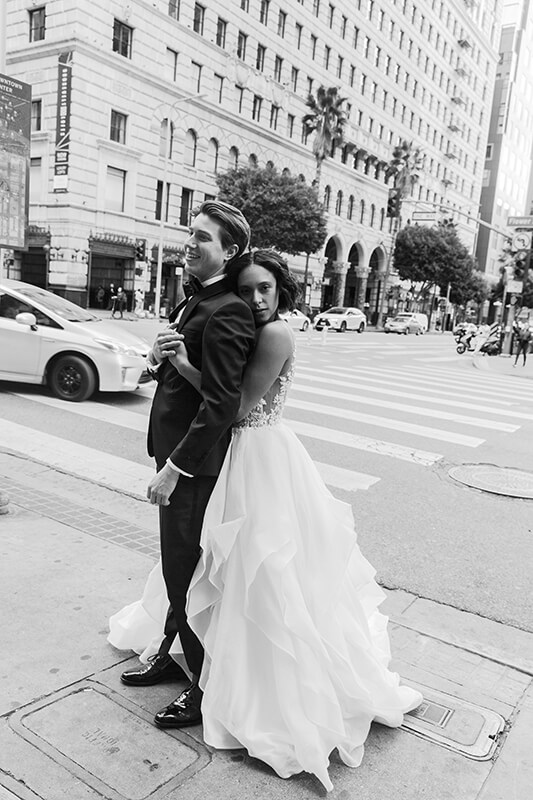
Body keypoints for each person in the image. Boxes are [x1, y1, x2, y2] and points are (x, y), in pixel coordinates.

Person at [109, 248, 422, 792]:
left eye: (265, 291)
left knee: (260, 569)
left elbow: (235, 404)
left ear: (282, 293)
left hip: (259, 457)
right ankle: (190, 656)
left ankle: (232, 684)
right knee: (214, 566)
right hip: (236, 457)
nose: (255, 299)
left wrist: (182, 362)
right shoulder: (248, 325)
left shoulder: (275, 335)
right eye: (248, 288)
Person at [109, 202, 256, 725]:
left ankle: (201, 685)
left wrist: (175, 467)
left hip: (192, 470)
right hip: (174, 457)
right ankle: (173, 657)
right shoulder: (194, 300)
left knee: (186, 573)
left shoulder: (229, 310)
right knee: (176, 570)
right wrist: (156, 360)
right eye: (190, 233)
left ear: (229, 251)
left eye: (203, 238)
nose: (190, 243)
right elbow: (178, 372)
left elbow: (221, 404)